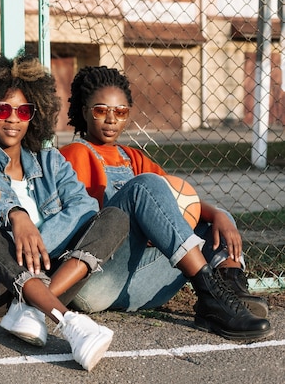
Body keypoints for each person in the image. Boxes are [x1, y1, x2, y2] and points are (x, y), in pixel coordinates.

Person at [0, 51, 130, 371]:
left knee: (114, 216)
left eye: (23, 110)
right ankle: (68, 321)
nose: (13, 118)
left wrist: (39, 238)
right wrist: (17, 217)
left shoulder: (52, 161)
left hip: (49, 272)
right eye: (3, 109)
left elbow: (84, 206)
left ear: (35, 113)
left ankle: (31, 305)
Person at [59, 65, 272, 341]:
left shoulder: (132, 156)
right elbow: (82, 227)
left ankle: (232, 294)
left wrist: (218, 214)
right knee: (145, 185)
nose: (111, 119)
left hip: (137, 282)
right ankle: (211, 295)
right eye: (101, 110)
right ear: (83, 110)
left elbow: (176, 203)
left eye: (120, 112)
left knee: (215, 221)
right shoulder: (74, 154)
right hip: (96, 280)